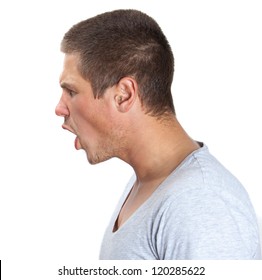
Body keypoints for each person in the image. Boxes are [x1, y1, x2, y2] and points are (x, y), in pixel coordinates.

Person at [55, 9, 261, 259]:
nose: (60, 108)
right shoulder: (149, 184)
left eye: (72, 92)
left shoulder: (200, 202)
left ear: (124, 95)